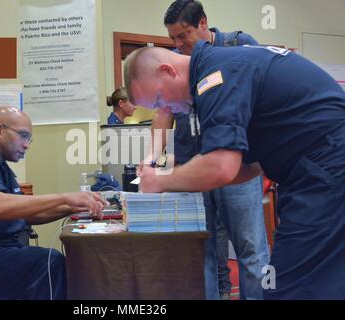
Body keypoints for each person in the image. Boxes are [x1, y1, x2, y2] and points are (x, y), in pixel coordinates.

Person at [124, 43, 345, 299]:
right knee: (322, 282)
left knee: (289, 286)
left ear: (168, 71)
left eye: (160, 100)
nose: (168, 110)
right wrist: (183, 170)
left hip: (327, 167)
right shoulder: (219, 68)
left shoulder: (215, 77)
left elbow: (221, 167)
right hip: (317, 168)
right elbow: (246, 167)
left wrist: (160, 182)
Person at [150, 0, 269, 300]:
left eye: (184, 35)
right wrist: (153, 158)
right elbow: (163, 112)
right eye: (173, 39)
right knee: (202, 250)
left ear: (203, 23)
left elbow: (263, 102)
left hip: (237, 170)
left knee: (251, 248)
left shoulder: (239, 45)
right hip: (194, 171)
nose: (179, 44)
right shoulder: (175, 62)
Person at [0, 106, 108, 300]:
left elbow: (26, 215)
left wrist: (73, 208)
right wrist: (65, 197)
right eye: (23, 136)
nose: (26, 145)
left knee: (57, 263)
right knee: (48, 262)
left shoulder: (0, 166)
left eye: (29, 139)